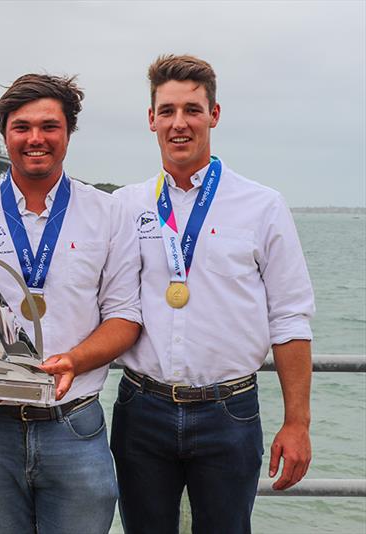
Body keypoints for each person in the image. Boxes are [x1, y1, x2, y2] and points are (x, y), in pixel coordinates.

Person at [110, 54, 314, 533]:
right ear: (151, 119)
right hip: (142, 409)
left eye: (192, 110)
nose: (179, 123)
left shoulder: (263, 206)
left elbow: (289, 318)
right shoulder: (124, 205)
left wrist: (297, 422)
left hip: (230, 411)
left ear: (214, 116)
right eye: (167, 110)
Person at [0, 73, 142, 534]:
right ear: (5, 134)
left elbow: (125, 316)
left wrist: (74, 358)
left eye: (49, 126)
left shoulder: (108, 214)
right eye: (22, 126)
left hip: (73, 422)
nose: (36, 138)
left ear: (68, 132)